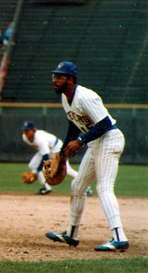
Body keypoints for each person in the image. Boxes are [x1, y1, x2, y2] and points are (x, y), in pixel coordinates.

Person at [46, 61, 129, 252]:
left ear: (70, 79)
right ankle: (71, 234)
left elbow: (105, 124)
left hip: (109, 140)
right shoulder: (66, 98)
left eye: (59, 77)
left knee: (104, 187)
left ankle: (119, 237)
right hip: (95, 143)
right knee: (77, 186)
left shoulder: (85, 96)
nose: (55, 80)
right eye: (54, 76)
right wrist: (62, 153)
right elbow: (74, 124)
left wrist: (80, 141)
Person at [21, 121, 92, 196]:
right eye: (24, 130)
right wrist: (35, 171)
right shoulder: (25, 137)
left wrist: (35, 173)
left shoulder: (39, 139)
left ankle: (86, 187)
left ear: (33, 130)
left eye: (28, 130)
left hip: (57, 148)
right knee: (32, 165)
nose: (26, 132)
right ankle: (46, 188)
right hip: (47, 149)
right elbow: (44, 152)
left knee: (67, 170)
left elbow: (46, 157)